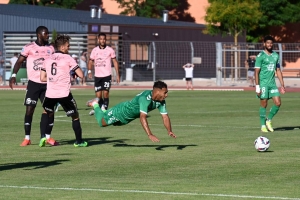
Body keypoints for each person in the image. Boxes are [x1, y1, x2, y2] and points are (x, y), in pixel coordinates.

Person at [9, 26, 58, 146]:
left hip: (47, 84)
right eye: (45, 33)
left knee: (49, 110)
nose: (48, 35)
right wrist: (13, 75)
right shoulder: (29, 48)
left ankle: (48, 137)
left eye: (48, 33)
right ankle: (27, 138)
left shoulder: (51, 49)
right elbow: (19, 62)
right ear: (39, 34)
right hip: (33, 84)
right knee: (29, 110)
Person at [87, 81, 177, 142]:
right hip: (120, 112)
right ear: (157, 91)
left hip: (127, 119)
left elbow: (165, 116)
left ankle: (103, 110)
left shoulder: (161, 101)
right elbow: (142, 117)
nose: (166, 95)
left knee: (112, 122)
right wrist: (150, 134)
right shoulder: (145, 99)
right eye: (165, 92)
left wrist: (169, 131)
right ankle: (95, 104)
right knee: (101, 123)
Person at [40, 34, 88, 147]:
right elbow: (81, 74)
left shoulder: (47, 59)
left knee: (46, 112)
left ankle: (43, 137)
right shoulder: (68, 58)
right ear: (62, 47)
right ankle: (79, 141)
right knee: (75, 116)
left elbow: (42, 78)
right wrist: (72, 75)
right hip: (63, 93)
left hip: (50, 93)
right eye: (68, 46)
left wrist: (54, 78)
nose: (69, 48)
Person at [255, 35, 285, 133]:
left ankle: (269, 120)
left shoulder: (276, 56)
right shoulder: (260, 56)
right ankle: (263, 125)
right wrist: (257, 87)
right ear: (264, 44)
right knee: (264, 104)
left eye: (271, 43)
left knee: (278, 103)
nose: (269, 44)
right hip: (263, 84)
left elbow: (278, 70)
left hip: (272, 84)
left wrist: (282, 85)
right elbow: (256, 72)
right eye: (268, 43)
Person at [87, 33, 120, 115]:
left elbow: (115, 62)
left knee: (105, 93)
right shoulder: (94, 50)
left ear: (106, 40)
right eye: (101, 39)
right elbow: (90, 61)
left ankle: (104, 109)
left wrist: (117, 74)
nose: (102, 40)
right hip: (97, 76)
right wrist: (89, 71)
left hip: (106, 75)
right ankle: (99, 108)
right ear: (98, 40)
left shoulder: (110, 50)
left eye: (104, 39)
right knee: (98, 96)